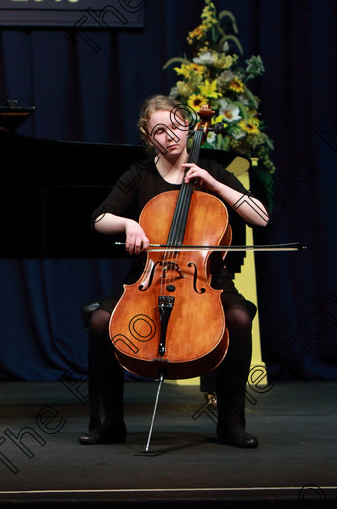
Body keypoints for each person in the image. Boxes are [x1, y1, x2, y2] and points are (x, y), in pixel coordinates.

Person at [81, 95, 269, 448]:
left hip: (207, 280)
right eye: (159, 131)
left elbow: (260, 217)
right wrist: (128, 225)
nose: (170, 137)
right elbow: (99, 219)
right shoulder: (140, 175)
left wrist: (214, 185)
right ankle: (111, 423)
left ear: (187, 125)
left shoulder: (211, 170)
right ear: (148, 137)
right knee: (100, 321)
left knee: (240, 318)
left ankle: (231, 424)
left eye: (176, 127)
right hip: (148, 279)